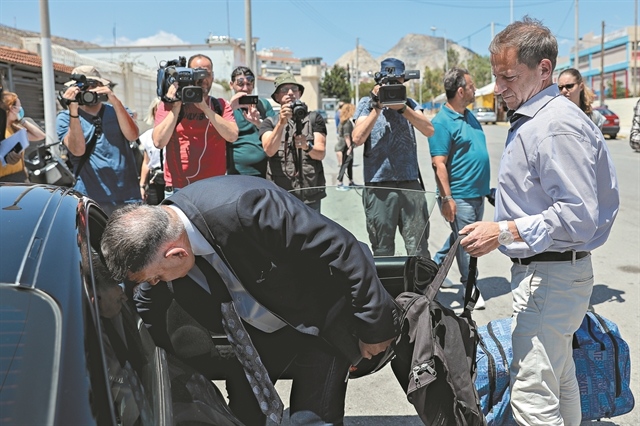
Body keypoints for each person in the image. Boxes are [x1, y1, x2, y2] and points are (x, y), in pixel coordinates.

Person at [100, 175, 399, 426]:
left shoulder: (248, 207)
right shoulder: (162, 239)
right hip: (256, 337)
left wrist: (375, 327)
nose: (155, 284)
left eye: (157, 277)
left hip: (319, 323)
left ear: (176, 254)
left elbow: (344, 250)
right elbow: (147, 305)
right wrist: (140, 361)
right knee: (242, 414)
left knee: (311, 419)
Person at [460, 17, 619, 426]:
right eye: (496, 76)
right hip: (550, 275)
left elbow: (577, 215)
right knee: (560, 377)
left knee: (532, 396)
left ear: (543, 69)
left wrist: (503, 231)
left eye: (508, 77)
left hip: (549, 278)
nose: (498, 88)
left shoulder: (554, 125)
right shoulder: (538, 117)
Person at [352, 57, 435, 256]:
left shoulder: (410, 103)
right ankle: (385, 279)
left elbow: (429, 130)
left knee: (418, 249)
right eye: (388, 83)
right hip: (378, 185)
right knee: (382, 249)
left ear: (403, 82)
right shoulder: (366, 104)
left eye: (397, 82)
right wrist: (377, 108)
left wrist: (403, 108)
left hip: (409, 183)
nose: (392, 87)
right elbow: (357, 138)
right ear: (379, 82)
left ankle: (419, 278)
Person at [428, 67, 490, 309]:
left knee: (459, 237)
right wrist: (447, 199)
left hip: (477, 193)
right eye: (472, 86)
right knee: (468, 243)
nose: (475, 90)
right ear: (461, 91)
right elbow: (438, 164)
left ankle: (433, 270)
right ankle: (470, 286)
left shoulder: (468, 115)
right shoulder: (441, 122)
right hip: (459, 195)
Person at [57, 66, 141, 215]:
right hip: (90, 199)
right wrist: (73, 110)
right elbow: (77, 150)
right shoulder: (65, 118)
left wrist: (114, 100)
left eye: (94, 85)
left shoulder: (117, 110)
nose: (89, 91)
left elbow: (132, 136)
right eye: (83, 87)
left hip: (127, 196)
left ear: (102, 86)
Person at [153, 54, 238, 196]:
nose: (202, 78)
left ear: (213, 77)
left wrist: (206, 108)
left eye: (206, 73)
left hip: (214, 186)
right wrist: (176, 107)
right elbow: (158, 142)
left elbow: (232, 136)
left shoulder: (220, 105)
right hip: (179, 187)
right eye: (197, 73)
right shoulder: (169, 104)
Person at [259, 72, 327, 212]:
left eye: (294, 89)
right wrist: (281, 124)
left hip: (310, 195)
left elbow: (320, 154)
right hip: (281, 196)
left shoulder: (314, 119)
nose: (290, 93)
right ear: (277, 97)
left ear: (299, 93)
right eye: (284, 90)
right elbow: (269, 150)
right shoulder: (269, 122)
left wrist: (307, 147)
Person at [227, 66, 275, 177]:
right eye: (240, 84)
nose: (245, 88)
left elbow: (275, 135)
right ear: (231, 85)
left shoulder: (263, 105)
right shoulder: (225, 107)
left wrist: (259, 123)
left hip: (265, 172)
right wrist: (230, 109)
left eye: (249, 84)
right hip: (237, 173)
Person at [1, 91, 46, 182]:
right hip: (4, 180)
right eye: (19, 106)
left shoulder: (15, 128)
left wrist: (22, 120)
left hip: (20, 176)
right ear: (12, 108)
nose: (21, 109)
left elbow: (40, 135)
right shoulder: (2, 131)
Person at [139, 98, 165, 205]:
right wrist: (142, 185)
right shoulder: (147, 136)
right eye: (157, 110)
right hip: (154, 181)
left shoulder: (177, 134)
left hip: (171, 181)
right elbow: (146, 162)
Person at [336, 103, 357, 190]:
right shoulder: (347, 123)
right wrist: (350, 147)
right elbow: (347, 136)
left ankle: (350, 181)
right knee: (345, 165)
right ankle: (340, 182)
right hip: (345, 146)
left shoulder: (342, 121)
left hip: (341, 145)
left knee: (348, 164)